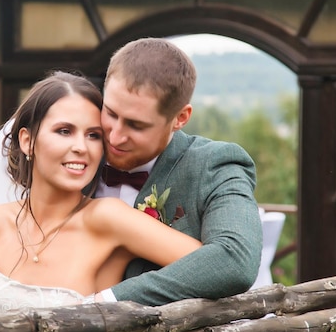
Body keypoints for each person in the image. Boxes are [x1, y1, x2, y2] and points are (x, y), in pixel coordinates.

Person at [0, 71, 201, 319]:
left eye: (94, 135)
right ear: (27, 141)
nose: (81, 147)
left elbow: (210, 266)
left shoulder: (109, 217)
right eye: (64, 131)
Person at [95, 37, 262, 305]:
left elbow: (235, 260)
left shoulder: (216, 164)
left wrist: (108, 301)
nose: (114, 136)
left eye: (136, 126)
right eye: (111, 113)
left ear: (180, 118)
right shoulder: (74, 153)